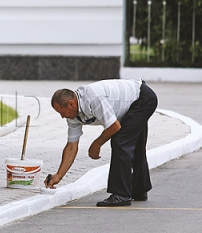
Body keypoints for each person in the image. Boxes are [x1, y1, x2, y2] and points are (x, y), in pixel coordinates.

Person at [44, 79, 158, 207]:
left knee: (120, 141)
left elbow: (114, 126)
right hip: (131, 104)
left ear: (71, 104)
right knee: (134, 145)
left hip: (142, 99)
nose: (62, 116)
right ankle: (139, 190)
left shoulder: (93, 98)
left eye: (61, 112)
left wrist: (97, 144)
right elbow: (71, 146)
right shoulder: (74, 116)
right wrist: (59, 175)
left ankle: (121, 195)